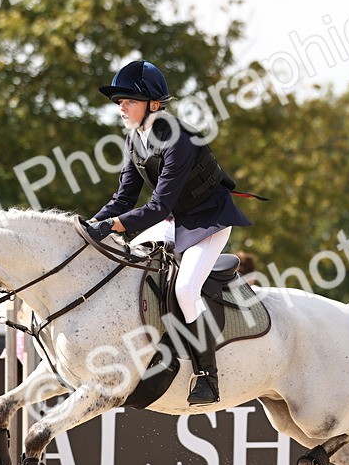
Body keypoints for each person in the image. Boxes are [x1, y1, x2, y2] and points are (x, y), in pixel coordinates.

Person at [83, 60, 255, 407]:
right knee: (128, 264)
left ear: (154, 104)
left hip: (208, 220)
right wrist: (88, 226)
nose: (121, 107)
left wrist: (112, 226)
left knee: (186, 289)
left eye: (128, 100)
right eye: (119, 102)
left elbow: (158, 206)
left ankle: (208, 375)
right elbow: (123, 199)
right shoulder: (135, 139)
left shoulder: (179, 139)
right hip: (175, 219)